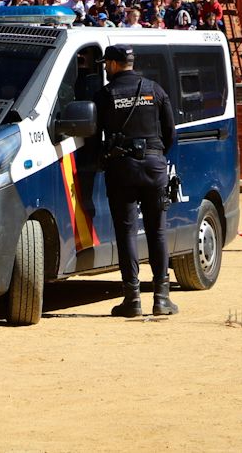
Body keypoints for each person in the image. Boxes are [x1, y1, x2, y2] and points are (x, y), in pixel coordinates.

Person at [94, 45, 177, 319]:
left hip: (122, 168)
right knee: (157, 231)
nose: (105, 67)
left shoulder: (106, 95)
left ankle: (132, 299)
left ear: (116, 64)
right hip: (154, 166)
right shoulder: (155, 88)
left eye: (107, 63)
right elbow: (170, 133)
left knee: (127, 232)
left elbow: (95, 138)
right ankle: (162, 299)